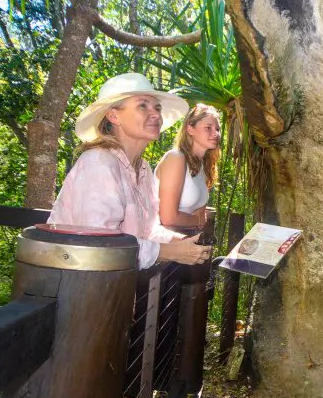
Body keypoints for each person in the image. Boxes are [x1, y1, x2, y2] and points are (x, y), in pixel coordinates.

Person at [47, 73, 211, 269]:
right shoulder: (98, 163)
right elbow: (101, 245)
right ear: (114, 116)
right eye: (143, 105)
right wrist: (168, 252)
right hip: (72, 288)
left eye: (157, 107)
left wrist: (183, 242)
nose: (156, 114)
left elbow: (147, 232)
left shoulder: (143, 169)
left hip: (115, 287)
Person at [154, 104, 221, 231]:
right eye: (208, 128)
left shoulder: (204, 166)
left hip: (186, 238)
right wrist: (198, 221)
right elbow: (168, 218)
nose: (215, 133)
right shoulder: (176, 157)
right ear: (190, 129)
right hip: (161, 242)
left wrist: (198, 221)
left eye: (217, 129)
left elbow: (200, 213)